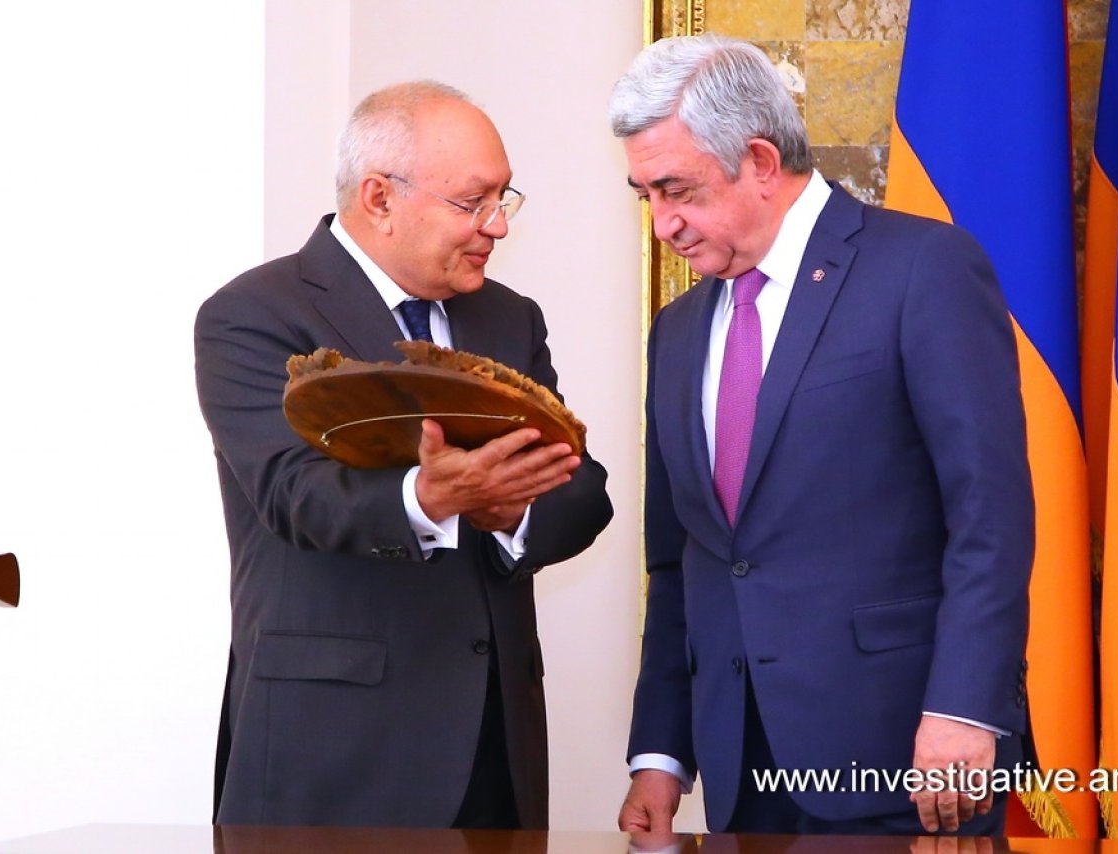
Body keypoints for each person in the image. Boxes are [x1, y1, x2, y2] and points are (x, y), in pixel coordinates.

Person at [610, 35, 1033, 837]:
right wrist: (660, 753)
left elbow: (990, 516)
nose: (664, 224)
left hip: (908, 756)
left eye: (678, 190)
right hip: (742, 767)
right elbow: (681, 558)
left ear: (761, 162)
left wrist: (963, 706)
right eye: (647, 196)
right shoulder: (679, 329)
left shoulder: (923, 269)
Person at [194, 80, 612, 829]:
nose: (496, 226)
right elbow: (294, 493)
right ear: (380, 198)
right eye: (472, 202)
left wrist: (510, 509)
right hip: (334, 750)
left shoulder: (510, 318)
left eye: (503, 199)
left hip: (493, 746)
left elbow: (581, 490)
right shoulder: (253, 313)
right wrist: (430, 497)